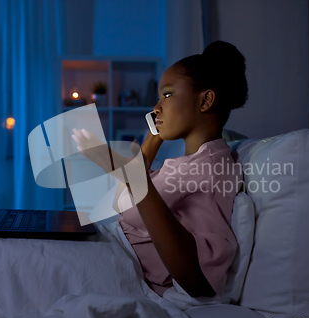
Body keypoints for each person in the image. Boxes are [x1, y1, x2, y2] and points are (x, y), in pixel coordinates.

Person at [72, 40, 248, 299]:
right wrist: (153, 138)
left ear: (205, 101)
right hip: (111, 250)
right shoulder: (194, 162)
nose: (156, 107)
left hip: (122, 266)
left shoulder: (211, 168)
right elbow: (135, 186)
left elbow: (200, 282)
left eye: (167, 95)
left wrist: (127, 166)